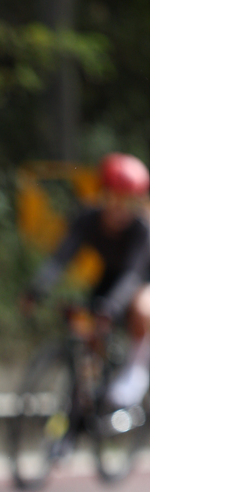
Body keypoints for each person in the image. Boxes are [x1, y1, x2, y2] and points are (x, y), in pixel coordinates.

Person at [22, 151, 150, 407]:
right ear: (103, 193)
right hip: (109, 277)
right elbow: (60, 258)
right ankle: (85, 399)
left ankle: (137, 370)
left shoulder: (141, 229)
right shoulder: (88, 219)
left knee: (143, 308)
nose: (120, 208)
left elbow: (133, 274)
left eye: (128, 201)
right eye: (115, 198)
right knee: (86, 331)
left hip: (143, 280)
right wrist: (37, 289)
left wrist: (112, 306)